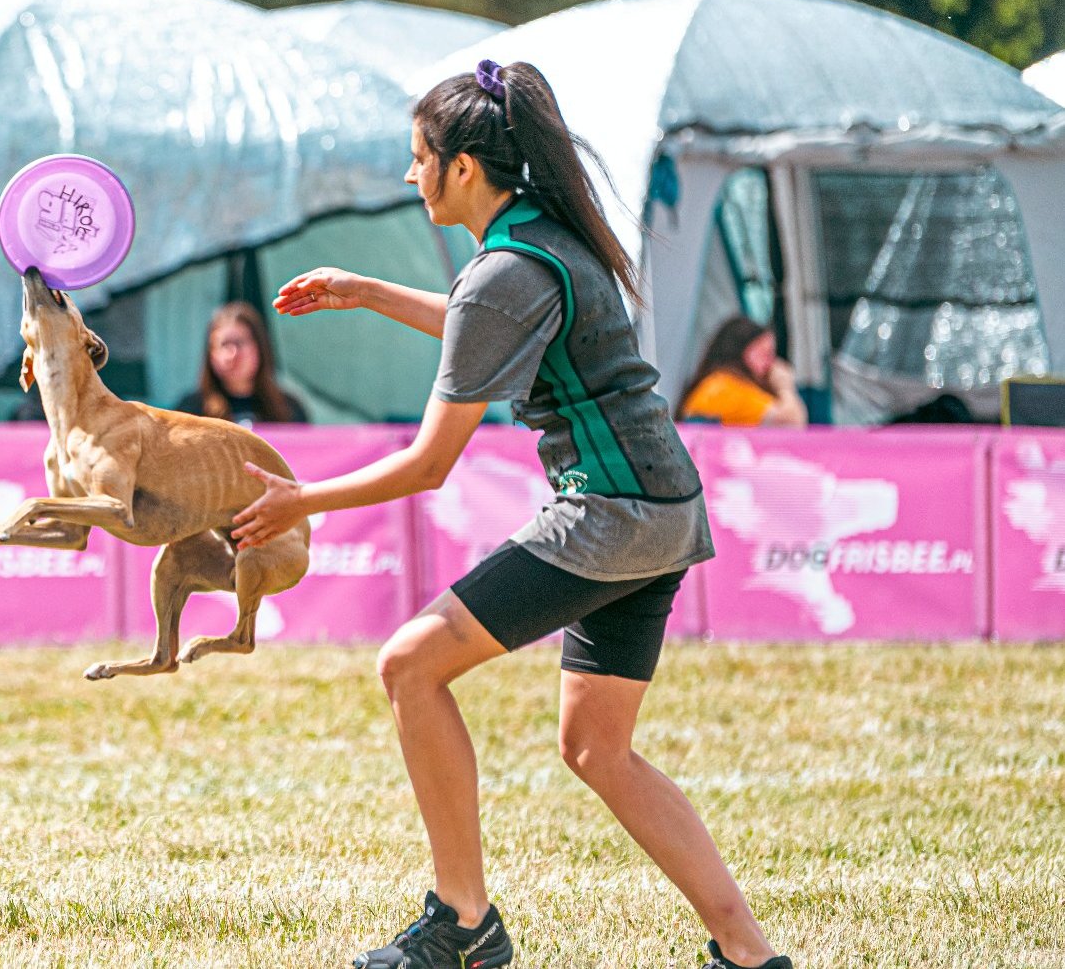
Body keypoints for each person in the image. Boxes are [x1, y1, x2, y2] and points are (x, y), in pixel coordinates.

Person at [233, 60, 791, 969]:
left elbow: (429, 463)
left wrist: (300, 498)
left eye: (419, 159)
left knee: (410, 664)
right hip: (663, 509)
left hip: (611, 511)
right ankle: (750, 953)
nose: (410, 176)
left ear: (462, 169)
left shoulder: (505, 268)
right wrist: (366, 291)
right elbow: (481, 316)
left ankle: (462, 923)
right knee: (597, 748)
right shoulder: (544, 234)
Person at [172, 301, 308, 426]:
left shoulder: (289, 409)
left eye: (240, 343)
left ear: (259, 348)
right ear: (211, 354)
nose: (233, 354)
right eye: (224, 344)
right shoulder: (190, 412)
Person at [677, 317, 808, 426]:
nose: (772, 363)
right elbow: (791, 422)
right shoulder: (724, 387)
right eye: (765, 353)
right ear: (740, 350)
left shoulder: (715, 382)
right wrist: (785, 386)